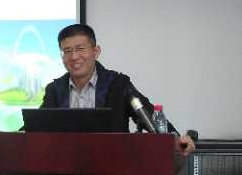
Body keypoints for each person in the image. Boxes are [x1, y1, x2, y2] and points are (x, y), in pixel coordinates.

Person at [40, 23, 195, 156]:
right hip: (66, 169)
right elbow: (38, 127)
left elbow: (147, 113)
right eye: (67, 51)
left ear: (96, 51)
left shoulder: (118, 84)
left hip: (112, 168)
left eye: (80, 49)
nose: (74, 57)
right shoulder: (55, 90)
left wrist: (176, 139)